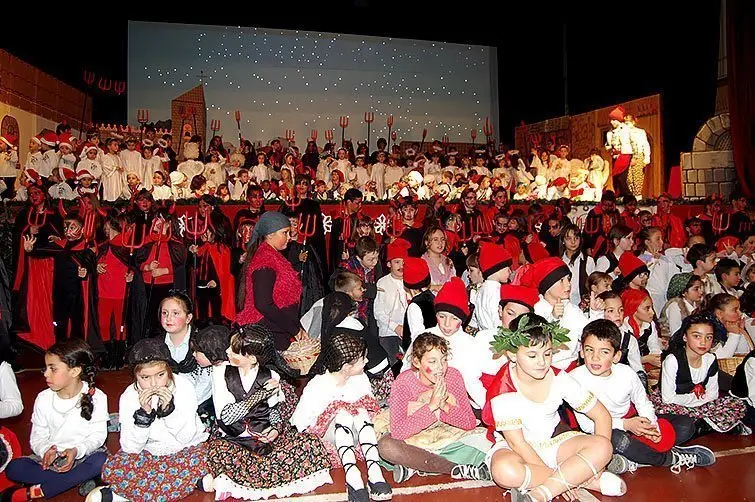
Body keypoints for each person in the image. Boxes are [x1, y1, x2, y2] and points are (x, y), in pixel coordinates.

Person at [486, 314, 625, 501]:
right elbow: (517, 443)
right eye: (532, 355)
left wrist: (600, 467)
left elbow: (601, 415)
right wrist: (561, 480)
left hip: (555, 444)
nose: (542, 362)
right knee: (504, 471)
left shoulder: (560, 379)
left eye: (548, 353)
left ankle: (543, 493)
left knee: (603, 446)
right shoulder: (503, 388)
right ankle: (581, 480)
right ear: (512, 354)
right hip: (517, 451)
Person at [205, 324, 332, 500]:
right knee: (218, 451)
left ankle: (259, 474)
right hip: (233, 440)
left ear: (252, 358)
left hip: (263, 439)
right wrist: (260, 395)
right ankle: (240, 479)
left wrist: (274, 429)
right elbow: (226, 416)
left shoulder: (271, 376)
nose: (227, 351)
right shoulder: (220, 371)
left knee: (310, 443)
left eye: (233, 350)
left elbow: (274, 412)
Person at [572, 320, 715, 474]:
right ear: (581, 351)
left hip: (633, 423)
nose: (595, 357)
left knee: (686, 425)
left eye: (604, 352)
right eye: (589, 350)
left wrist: (651, 427)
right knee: (617, 440)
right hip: (603, 431)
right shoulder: (575, 380)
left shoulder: (627, 373)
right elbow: (588, 425)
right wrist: (626, 425)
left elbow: (643, 403)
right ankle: (670, 458)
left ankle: (633, 457)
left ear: (616, 356)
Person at [95, 339, 210, 501]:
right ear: (135, 376)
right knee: (115, 467)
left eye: (160, 375)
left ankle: (129, 494)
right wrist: (144, 416)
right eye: (145, 377)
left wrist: (169, 411)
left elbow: (187, 437)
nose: (154, 383)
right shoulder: (129, 396)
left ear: (169, 371)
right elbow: (130, 447)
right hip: (149, 452)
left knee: (204, 457)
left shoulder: (183, 386)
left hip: (185, 449)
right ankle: (180, 484)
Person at [377, 332, 492, 483]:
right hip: (414, 440)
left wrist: (444, 406)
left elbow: (469, 423)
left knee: (489, 442)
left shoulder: (453, 376)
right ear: (417, 362)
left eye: (443, 360)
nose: (440, 368)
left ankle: (416, 465)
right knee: (386, 447)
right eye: (432, 361)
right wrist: (431, 406)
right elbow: (398, 431)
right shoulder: (403, 382)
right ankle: (453, 469)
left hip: (448, 439)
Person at [291, 332, 392, 502]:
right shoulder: (318, 385)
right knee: (343, 414)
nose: (366, 361)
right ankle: (352, 477)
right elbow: (300, 421)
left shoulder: (360, 379)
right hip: (331, 438)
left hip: (358, 434)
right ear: (346, 366)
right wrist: (332, 412)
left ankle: (374, 472)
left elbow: (370, 406)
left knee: (359, 411)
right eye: (362, 359)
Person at [4, 341, 108, 501]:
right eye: (46, 368)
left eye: (53, 369)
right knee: (13, 468)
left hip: (84, 455)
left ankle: (35, 492)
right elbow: (37, 437)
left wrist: (76, 451)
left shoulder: (97, 397)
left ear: (75, 371)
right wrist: (46, 450)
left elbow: (98, 437)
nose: (45, 374)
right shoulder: (43, 398)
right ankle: (79, 480)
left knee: (102, 461)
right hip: (53, 461)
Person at [651, 315, 750, 436]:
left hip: (700, 405)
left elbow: (713, 394)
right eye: (697, 336)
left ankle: (701, 425)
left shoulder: (710, 359)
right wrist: (697, 402)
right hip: (674, 405)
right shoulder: (673, 360)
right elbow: (668, 399)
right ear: (685, 337)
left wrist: (699, 406)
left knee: (738, 404)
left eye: (708, 337)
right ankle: (708, 425)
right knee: (665, 412)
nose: (703, 342)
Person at [236, 212, 303, 350]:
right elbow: (263, 304)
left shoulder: (274, 256)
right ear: (270, 234)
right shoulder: (264, 260)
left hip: (275, 331)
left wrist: (297, 327)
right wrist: (295, 330)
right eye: (285, 233)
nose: (289, 238)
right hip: (267, 335)